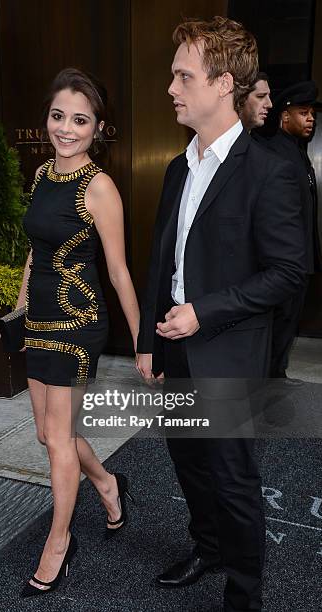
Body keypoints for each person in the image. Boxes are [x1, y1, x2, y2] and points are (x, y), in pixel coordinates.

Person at [136, 16, 306, 612]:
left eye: (183, 75)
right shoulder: (178, 167)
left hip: (228, 347)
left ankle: (244, 594)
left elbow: (289, 273)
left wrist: (202, 314)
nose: (172, 87)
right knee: (186, 459)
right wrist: (148, 341)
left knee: (233, 479)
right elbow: (163, 259)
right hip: (174, 344)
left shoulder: (271, 171)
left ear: (222, 83)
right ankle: (207, 549)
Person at [16, 68, 139, 597]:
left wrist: (144, 341)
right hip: (39, 319)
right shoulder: (44, 173)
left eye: (79, 120)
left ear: (98, 128)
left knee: (58, 442)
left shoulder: (100, 187)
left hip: (76, 323)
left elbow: (119, 271)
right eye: (58, 115)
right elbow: (35, 248)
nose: (66, 128)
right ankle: (109, 485)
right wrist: (21, 301)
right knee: (49, 434)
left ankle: (58, 544)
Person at [264, 81, 322, 383]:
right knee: (278, 324)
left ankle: (278, 376)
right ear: (285, 117)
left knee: (289, 324)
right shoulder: (273, 152)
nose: (310, 118)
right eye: (303, 112)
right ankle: (268, 383)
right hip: (284, 262)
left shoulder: (298, 153)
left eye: (312, 113)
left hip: (300, 260)